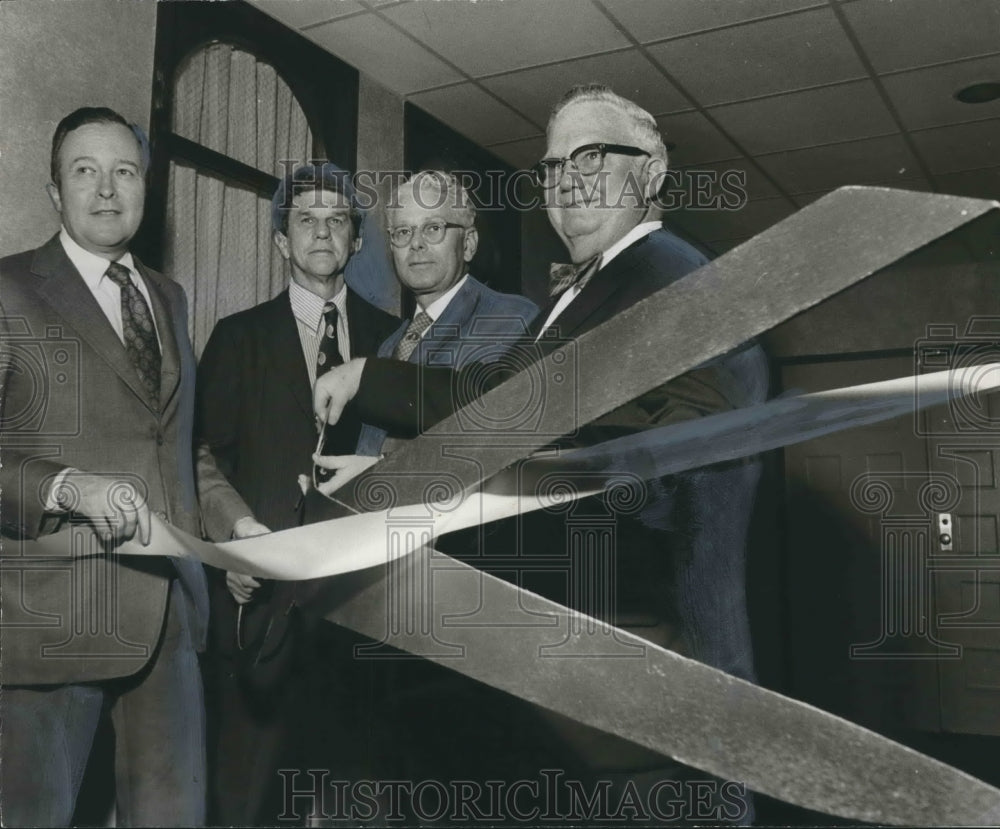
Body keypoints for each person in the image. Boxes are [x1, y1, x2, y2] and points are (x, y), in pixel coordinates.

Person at [312, 85, 769, 816]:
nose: (566, 179)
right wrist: (388, 473)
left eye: (591, 155)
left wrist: (371, 377)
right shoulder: (589, 290)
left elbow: (533, 417)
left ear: (651, 175)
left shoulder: (671, 280)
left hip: (651, 677)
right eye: (553, 166)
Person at [0, 106, 208, 826]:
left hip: (171, 616)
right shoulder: (8, 289)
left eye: (124, 171)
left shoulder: (169, 297)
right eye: (84, 171)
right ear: (55, 190)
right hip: (55, 614)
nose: (107, 189)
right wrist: (67, 486)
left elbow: (179, 441)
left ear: (146, 187)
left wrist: (237, 529)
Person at [194, 162, 399, 825]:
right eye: (304, 219)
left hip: (365, 614)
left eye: (336, 219)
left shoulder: (394, 340)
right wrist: (234, 539)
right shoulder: (237, 337)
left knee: (356, 798)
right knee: (248, 801)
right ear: (281, 241)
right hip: (258, 615)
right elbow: (198, 458)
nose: (321, 231)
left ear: (356, 240)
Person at [346, 169, 538, 461]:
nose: (416, 243)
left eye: (433, 228)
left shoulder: (512, 319)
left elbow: (502, 440)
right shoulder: (390, 343)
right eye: (402, 232)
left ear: (469, 244)